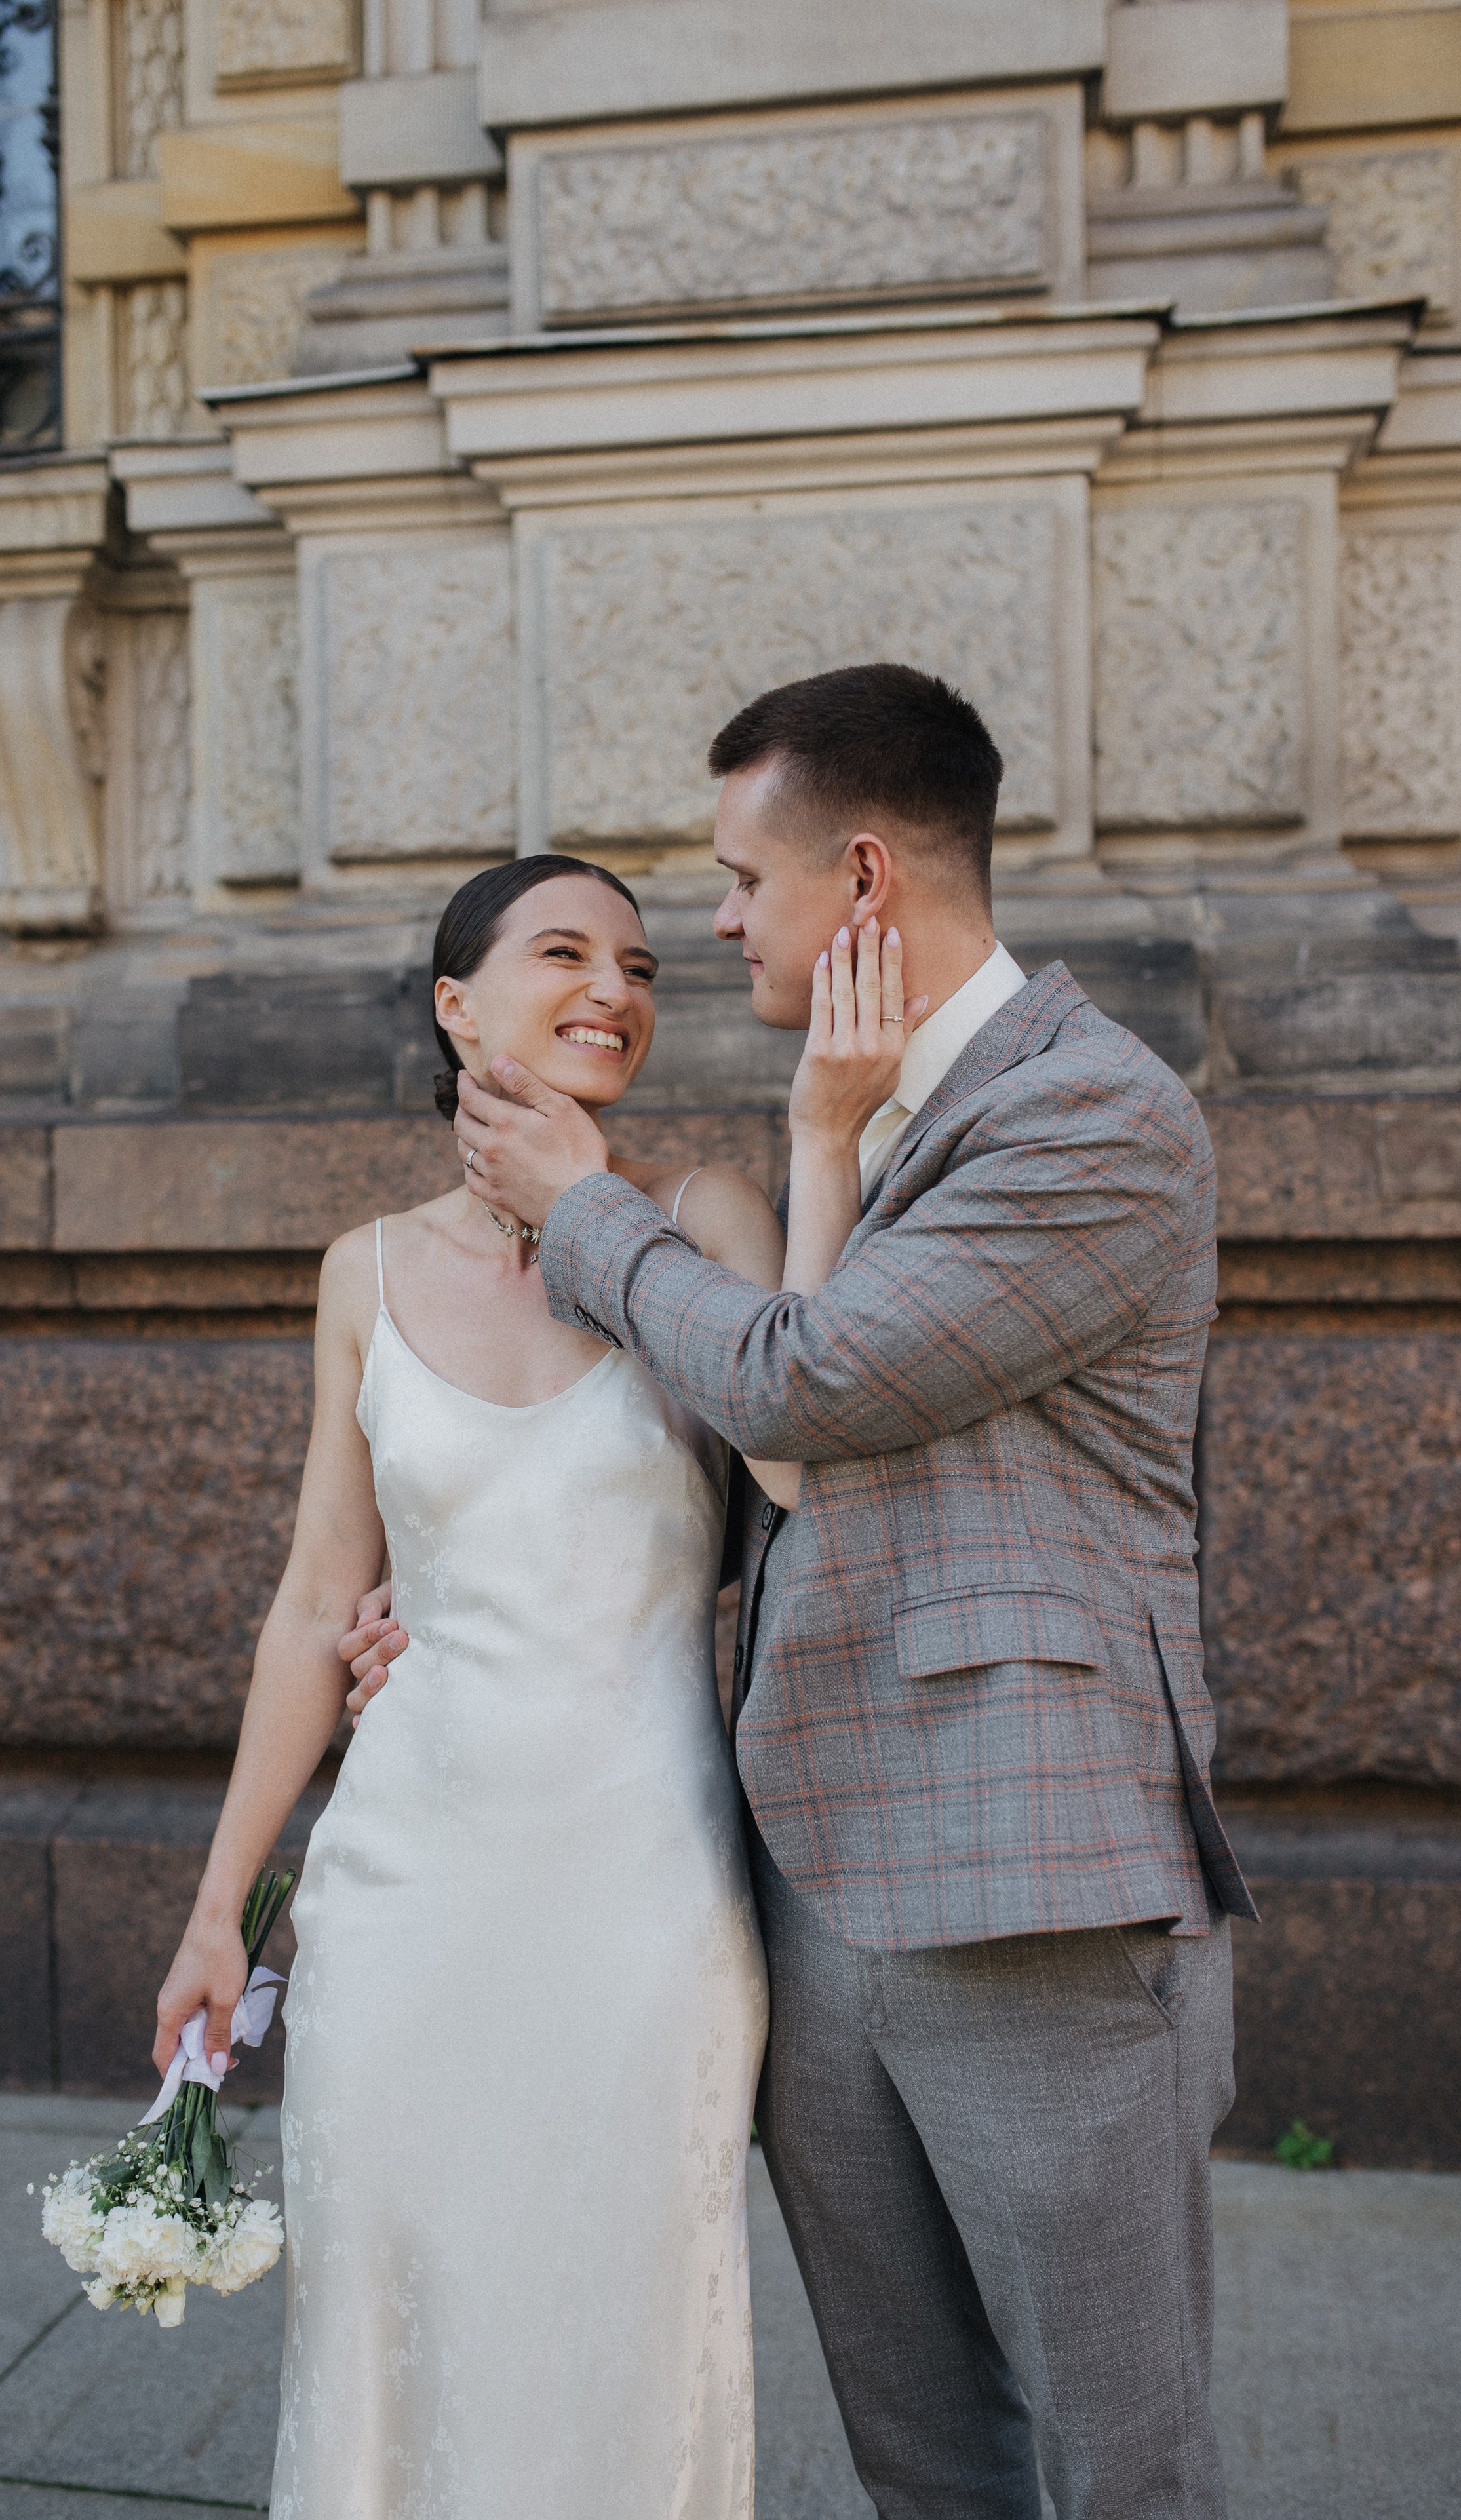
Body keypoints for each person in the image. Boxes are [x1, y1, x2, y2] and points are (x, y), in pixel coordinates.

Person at [355, 664, 1258, 2520]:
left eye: (738, 882)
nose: (710, 920)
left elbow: (810, 1385)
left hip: (1031, 1893)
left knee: (1121, 2458)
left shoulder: (1091, 1114)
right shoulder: (850, 1117)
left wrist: (585, 1199)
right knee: (924, 2451)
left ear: (858, 879)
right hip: (808, 1885)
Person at [152, 850, 900, 2520]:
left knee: (616, 2324)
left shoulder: (699, 1216)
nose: (615, 992)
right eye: (563, 953)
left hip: (641, 1895)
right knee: (389, 2323)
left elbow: (795, 1459)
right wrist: (223, 1914)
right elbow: (308, 1603)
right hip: (406, 1888)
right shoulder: (364, 1270)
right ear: (452, 1000)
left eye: (640, 967)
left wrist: (821, 1137)